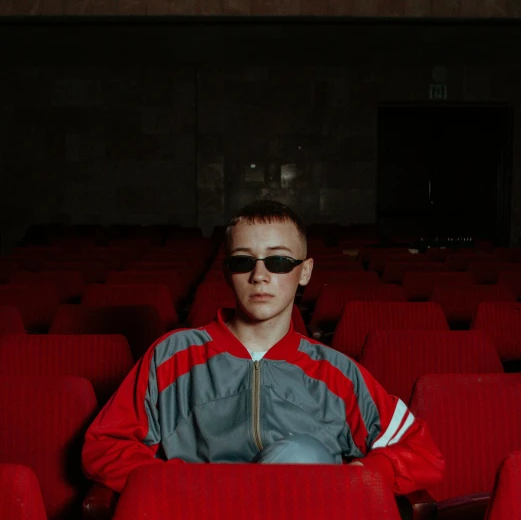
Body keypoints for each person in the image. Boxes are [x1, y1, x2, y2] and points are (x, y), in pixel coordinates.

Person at [82, 200, 445, 494]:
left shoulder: (337, 372)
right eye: (243, 261)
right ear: (227, 272)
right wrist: (182, 485)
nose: (260, 275)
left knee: (302, 455)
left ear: (304, 271)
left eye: (279, 261)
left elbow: (422, 453)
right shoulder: (172, 355)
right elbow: (104, 446)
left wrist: (358, 476)